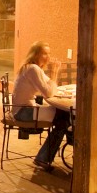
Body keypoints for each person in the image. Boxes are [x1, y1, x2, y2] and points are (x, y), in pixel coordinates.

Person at [11, 41, 68, 172]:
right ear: (35, 54)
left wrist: (53, 77)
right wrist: (54, 72)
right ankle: (43, 158)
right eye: (44, 54)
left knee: (62, 116)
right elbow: (49, 93)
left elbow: (51, 86)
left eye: (49, 53)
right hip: (23, 112)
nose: (48, 57)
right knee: (64, 117)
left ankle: (44, 157)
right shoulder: (32, 69)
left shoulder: (34, 68)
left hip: (24, 108)